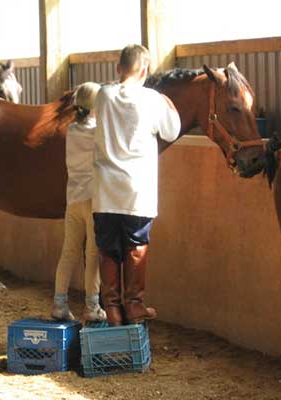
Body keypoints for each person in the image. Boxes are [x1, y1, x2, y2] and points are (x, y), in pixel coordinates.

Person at [93, 44, 181, 326]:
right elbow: (172, 130)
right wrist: (168, 103)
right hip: (137, 191)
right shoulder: (153, 99)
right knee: (136, 245)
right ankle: (134, 305)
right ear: (145, 70)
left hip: (105, 190)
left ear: (118, 68)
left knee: (108, 249)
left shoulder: (103, 95)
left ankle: (113, 310)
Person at [51, 82, 106, 322]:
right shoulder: (99, 132)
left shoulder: (72, 129)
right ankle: (92, 306)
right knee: (92, 253)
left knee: (68, 252)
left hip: (73, 199)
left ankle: (59, 304)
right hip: (93, 199)